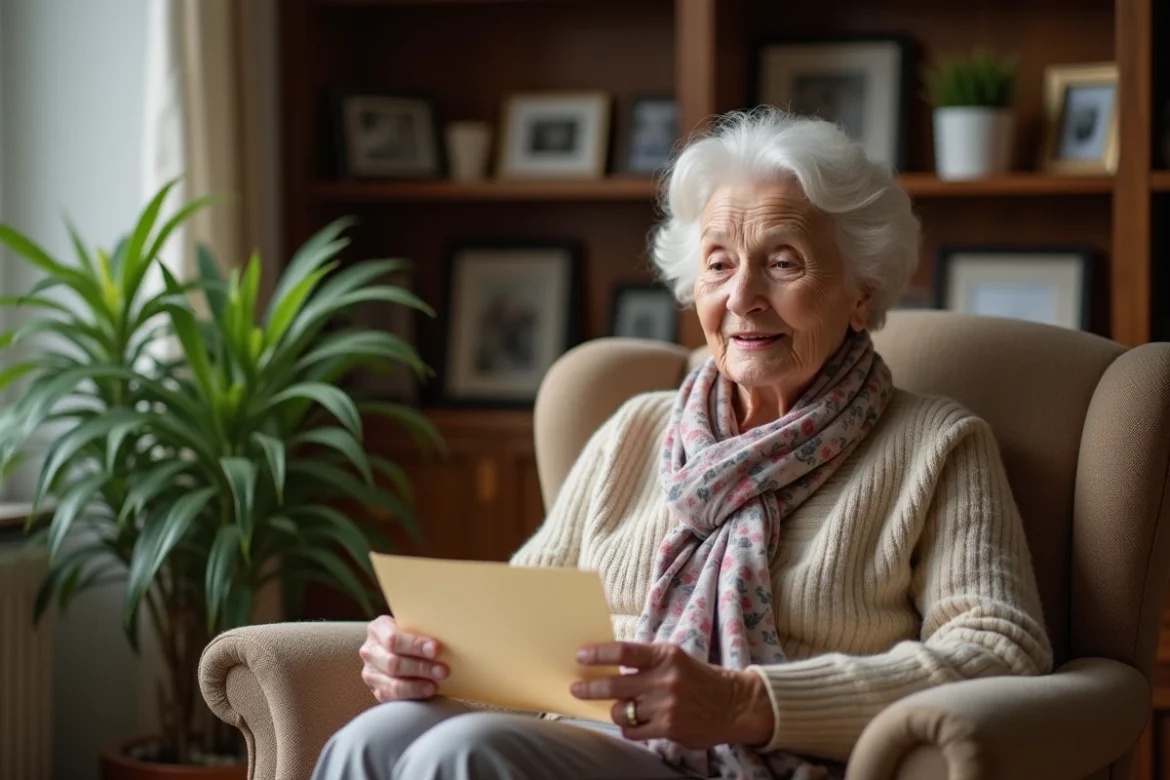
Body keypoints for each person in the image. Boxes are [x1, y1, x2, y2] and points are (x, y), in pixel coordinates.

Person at [311, 107, 1054, 780]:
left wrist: (747, 700)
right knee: (370, 739)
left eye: (784, 261)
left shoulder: (936, 446)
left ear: (862, 290)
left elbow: (1001, 652)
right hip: (586, 737)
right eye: (720, 263)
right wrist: (427, 655)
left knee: (459, 754)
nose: (742, 297)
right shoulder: (637, 428)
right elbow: (520, 623)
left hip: (760, 763)